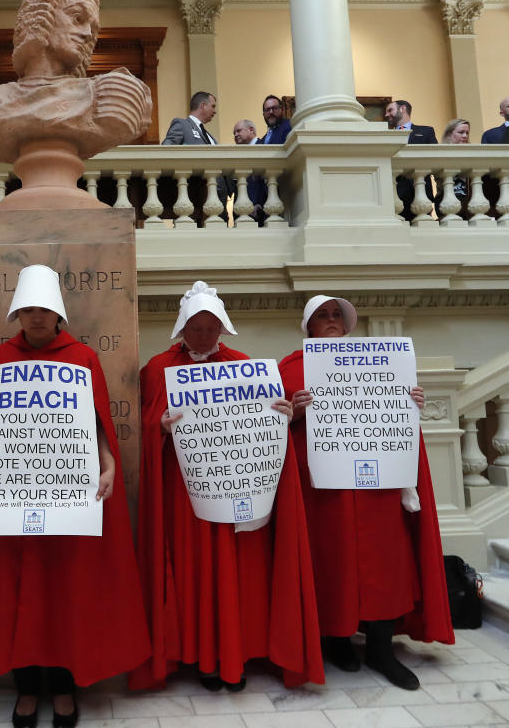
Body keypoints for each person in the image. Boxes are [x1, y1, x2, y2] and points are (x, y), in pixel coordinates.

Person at [0, 265, 150, 728]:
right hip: (11, 502)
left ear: (58, 315)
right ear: (18, 314)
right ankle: (26, 689)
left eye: (44, 310)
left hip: (66, 501)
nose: (36, 318)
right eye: (29, 310)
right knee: (19, 596)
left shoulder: (82, 358)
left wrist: (110, 463)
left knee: (64, 595)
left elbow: (96, 423)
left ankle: (63, 689)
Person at [130, 281, 324, 693]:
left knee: (239, 570)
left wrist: (283, 416)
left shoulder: (245, 365)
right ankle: (204, 658)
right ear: (182, 328)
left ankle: (236, 653)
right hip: (185, 492)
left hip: (239, 484)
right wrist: (158, 427)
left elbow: (265, 427)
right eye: (195, 327)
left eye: (211, 327)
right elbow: (145, 427)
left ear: (222, 327)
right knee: (194, 568)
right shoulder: (157, 368)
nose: (203, 335)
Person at [279, 295, 454, 690]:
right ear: (308, 325)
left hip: (377, 485)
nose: (331, 320)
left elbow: (394, 416)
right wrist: (296, 411)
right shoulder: (291, 368)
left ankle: (380, 648)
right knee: (332, 561)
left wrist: (410, 403)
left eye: (337, 314)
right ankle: (337, 641)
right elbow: (272, 427)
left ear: (349, 322)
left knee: (385, 563)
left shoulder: (383, 360)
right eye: (322, 315)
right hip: (325, 490)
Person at [0, 0, 151, 166]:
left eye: (92, 27)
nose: (87, 33)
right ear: (42, 16)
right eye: (77, 18)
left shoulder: (109, 95)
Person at [163, 91, 233, 210]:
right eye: (213, 106)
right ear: (202, 105)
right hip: (195, 195)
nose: (215, 111)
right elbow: (165, 150)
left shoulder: (210, 136)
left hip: (219, 198)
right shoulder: (182, 124)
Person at [233, 119, 268, 219]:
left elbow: (266, 180)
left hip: (262, 212)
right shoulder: (239, 157)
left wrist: (260, 203)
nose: (235, 135)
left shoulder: (265, 146)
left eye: (238, 131)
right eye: (234, 133)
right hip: (244, 214)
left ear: (251, 130)